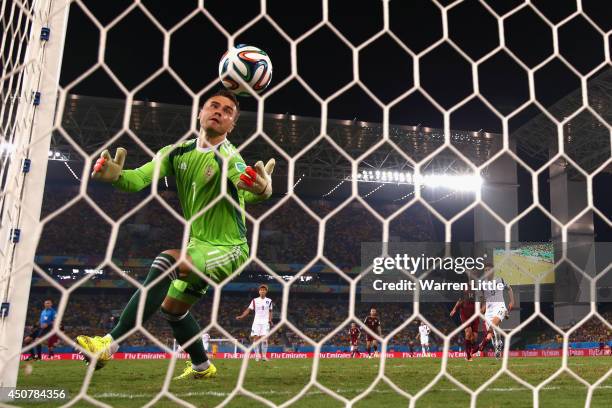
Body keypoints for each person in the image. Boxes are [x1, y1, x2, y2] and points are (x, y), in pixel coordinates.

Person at [76, 90, 275, 380]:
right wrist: (117, 176)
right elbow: (139, 179)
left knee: (165, 261)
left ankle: (109, 343)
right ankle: (202, 367)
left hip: (229, 247)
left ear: (232, 125)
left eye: (228, 111)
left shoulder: (230, 157)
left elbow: (250, 188)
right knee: (173, 310)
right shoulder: (175, 152)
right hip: (198, 246)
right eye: (213, 106)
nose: (219, 112)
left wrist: (262, 189)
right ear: (199, 113)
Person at [478, 266, 514, 359]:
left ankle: (494, 342)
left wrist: (512, 301)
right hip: (489, 310)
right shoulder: (482, 284)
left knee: (493, 326)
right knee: (495, 330)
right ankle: (498, 345)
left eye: (489, 270)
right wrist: (482, 306)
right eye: (485, 270)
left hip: (500, 307)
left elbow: (509, 289)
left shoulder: (500, 280)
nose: (487, 271)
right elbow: (483, 297)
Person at [236, 284, 273, 362]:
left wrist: (270, 320)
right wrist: (242, 316)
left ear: (266, 291)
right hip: (256, 322)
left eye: (264, 290)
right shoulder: (254, 300)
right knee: (256, 339)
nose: (262, 291)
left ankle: (264, 356)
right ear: (259, 291)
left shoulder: (269, 301)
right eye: (261, 290)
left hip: (265, 322)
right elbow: (248, 310)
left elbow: (270, 311)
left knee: (264, 340)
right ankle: (257, 356)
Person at [450, 288, 480, 361]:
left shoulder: (479, 289)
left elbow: (482, 300)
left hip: (475, 314)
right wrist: (454, 309)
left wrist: (483, 308)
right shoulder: (465, 288)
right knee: (468, 333)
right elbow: (460, 300)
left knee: (474, 338)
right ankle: (468, 355)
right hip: (465, 314)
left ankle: (471, 351)